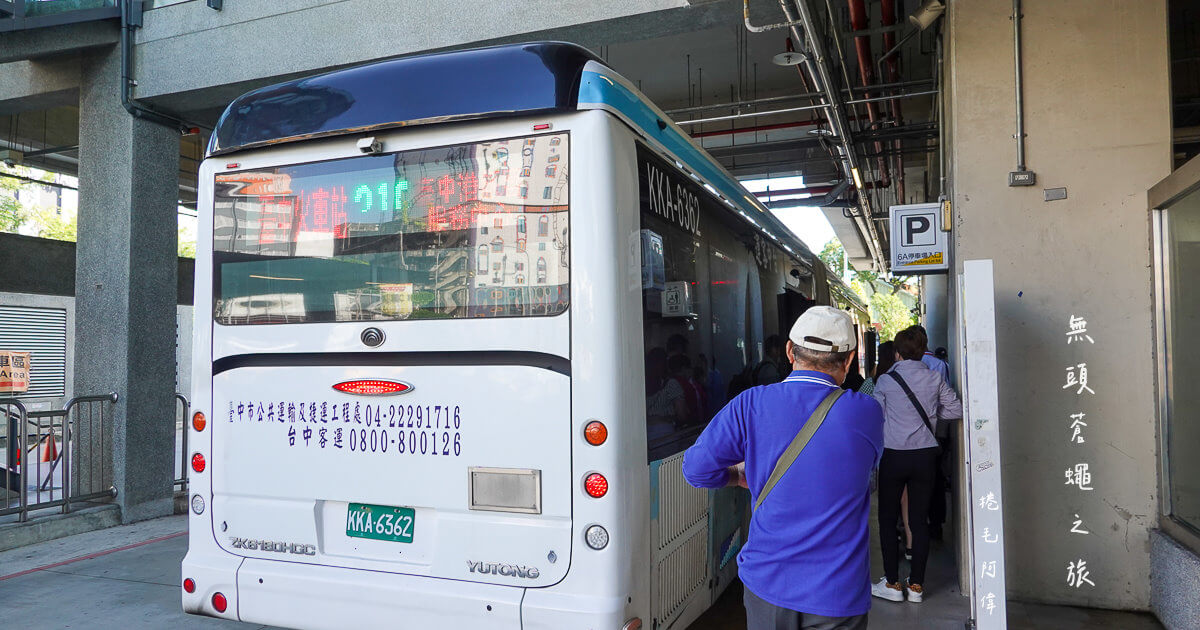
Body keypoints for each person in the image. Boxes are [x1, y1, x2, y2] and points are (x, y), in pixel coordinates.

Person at [682, 306, 884, 629]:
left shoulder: (750, 404)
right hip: (837, 594)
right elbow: (866, 470)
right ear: (848, 360)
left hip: (768, 586)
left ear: (790, 351)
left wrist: (737, 476)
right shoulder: (867, 413)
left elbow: (696, 469)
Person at [870, 328, 962, 604]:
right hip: (924, 458)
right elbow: (957, 410)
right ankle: (917, 586)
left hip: (894, 456)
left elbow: (877, 417)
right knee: (918, 521)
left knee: (887, 519)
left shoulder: (886, 381)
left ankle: (892, 583)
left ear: (897, 353)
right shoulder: (934, 377)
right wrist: (932, 415)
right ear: (923, 351)